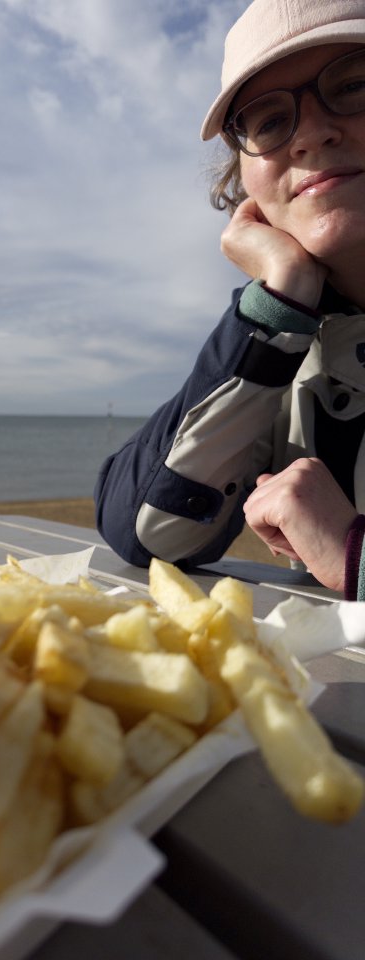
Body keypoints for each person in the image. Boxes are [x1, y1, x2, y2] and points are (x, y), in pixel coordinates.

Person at [95, 0, 365, 600]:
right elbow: (149, 532)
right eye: (269, 121)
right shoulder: (297, 348)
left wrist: (354, 552)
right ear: (244, 181)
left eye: (354, 84)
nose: (311, 134)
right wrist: (279, 300)